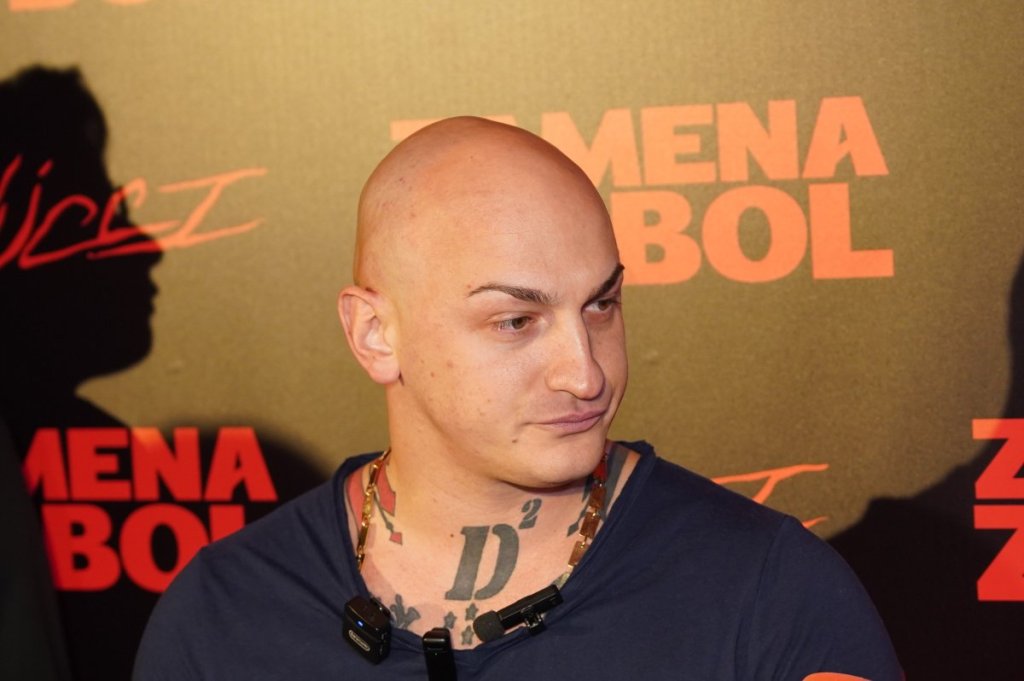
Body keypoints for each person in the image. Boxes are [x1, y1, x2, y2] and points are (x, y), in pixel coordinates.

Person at [133, 117, 902, 680]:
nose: (585, 373)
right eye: (516, 321)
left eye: (601, 304)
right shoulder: (224, 613)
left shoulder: (769, 592)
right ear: (374, 334)